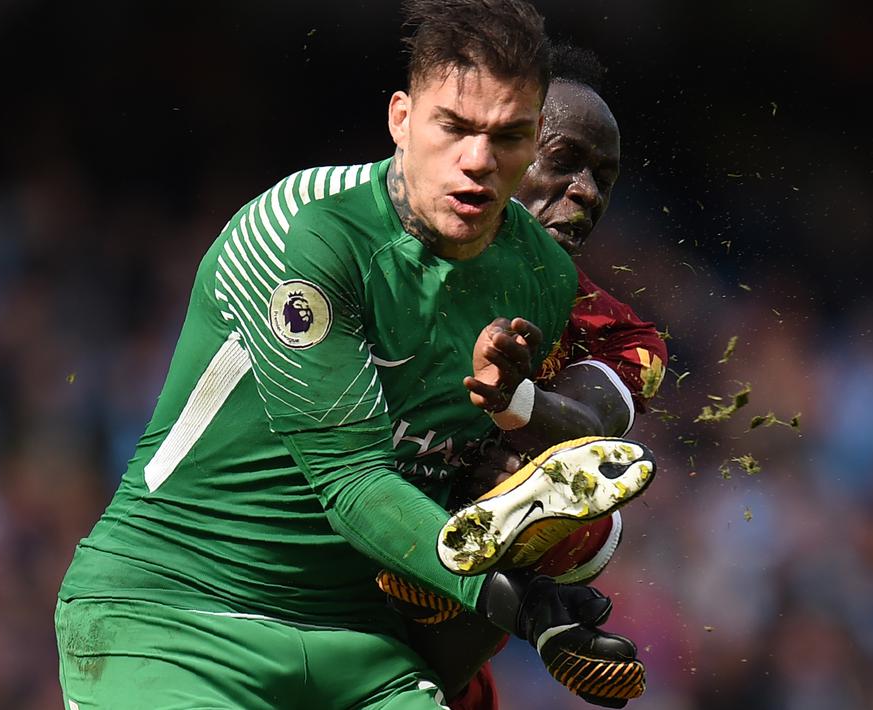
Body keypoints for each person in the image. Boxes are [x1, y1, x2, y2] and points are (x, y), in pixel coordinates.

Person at [54, 3, 649, 709]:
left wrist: (543, 602)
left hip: (360, 651)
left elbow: (453, 499)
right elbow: (355, 483)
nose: (478, 161)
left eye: (507, 135)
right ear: (401, 118)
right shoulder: (305, 231)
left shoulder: (542, 281)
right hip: (178, 616)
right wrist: (518, 608)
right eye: (453, 127)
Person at [376, 44, 667, 710]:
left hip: (434, 656)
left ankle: (468, 567)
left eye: (604, 177)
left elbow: (594, 425)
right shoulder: (383, 262)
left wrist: (514, 398)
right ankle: (535, 610)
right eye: (563, 162)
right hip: (310, 562)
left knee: (587, 489)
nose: (587, 192)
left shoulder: (618, 329)